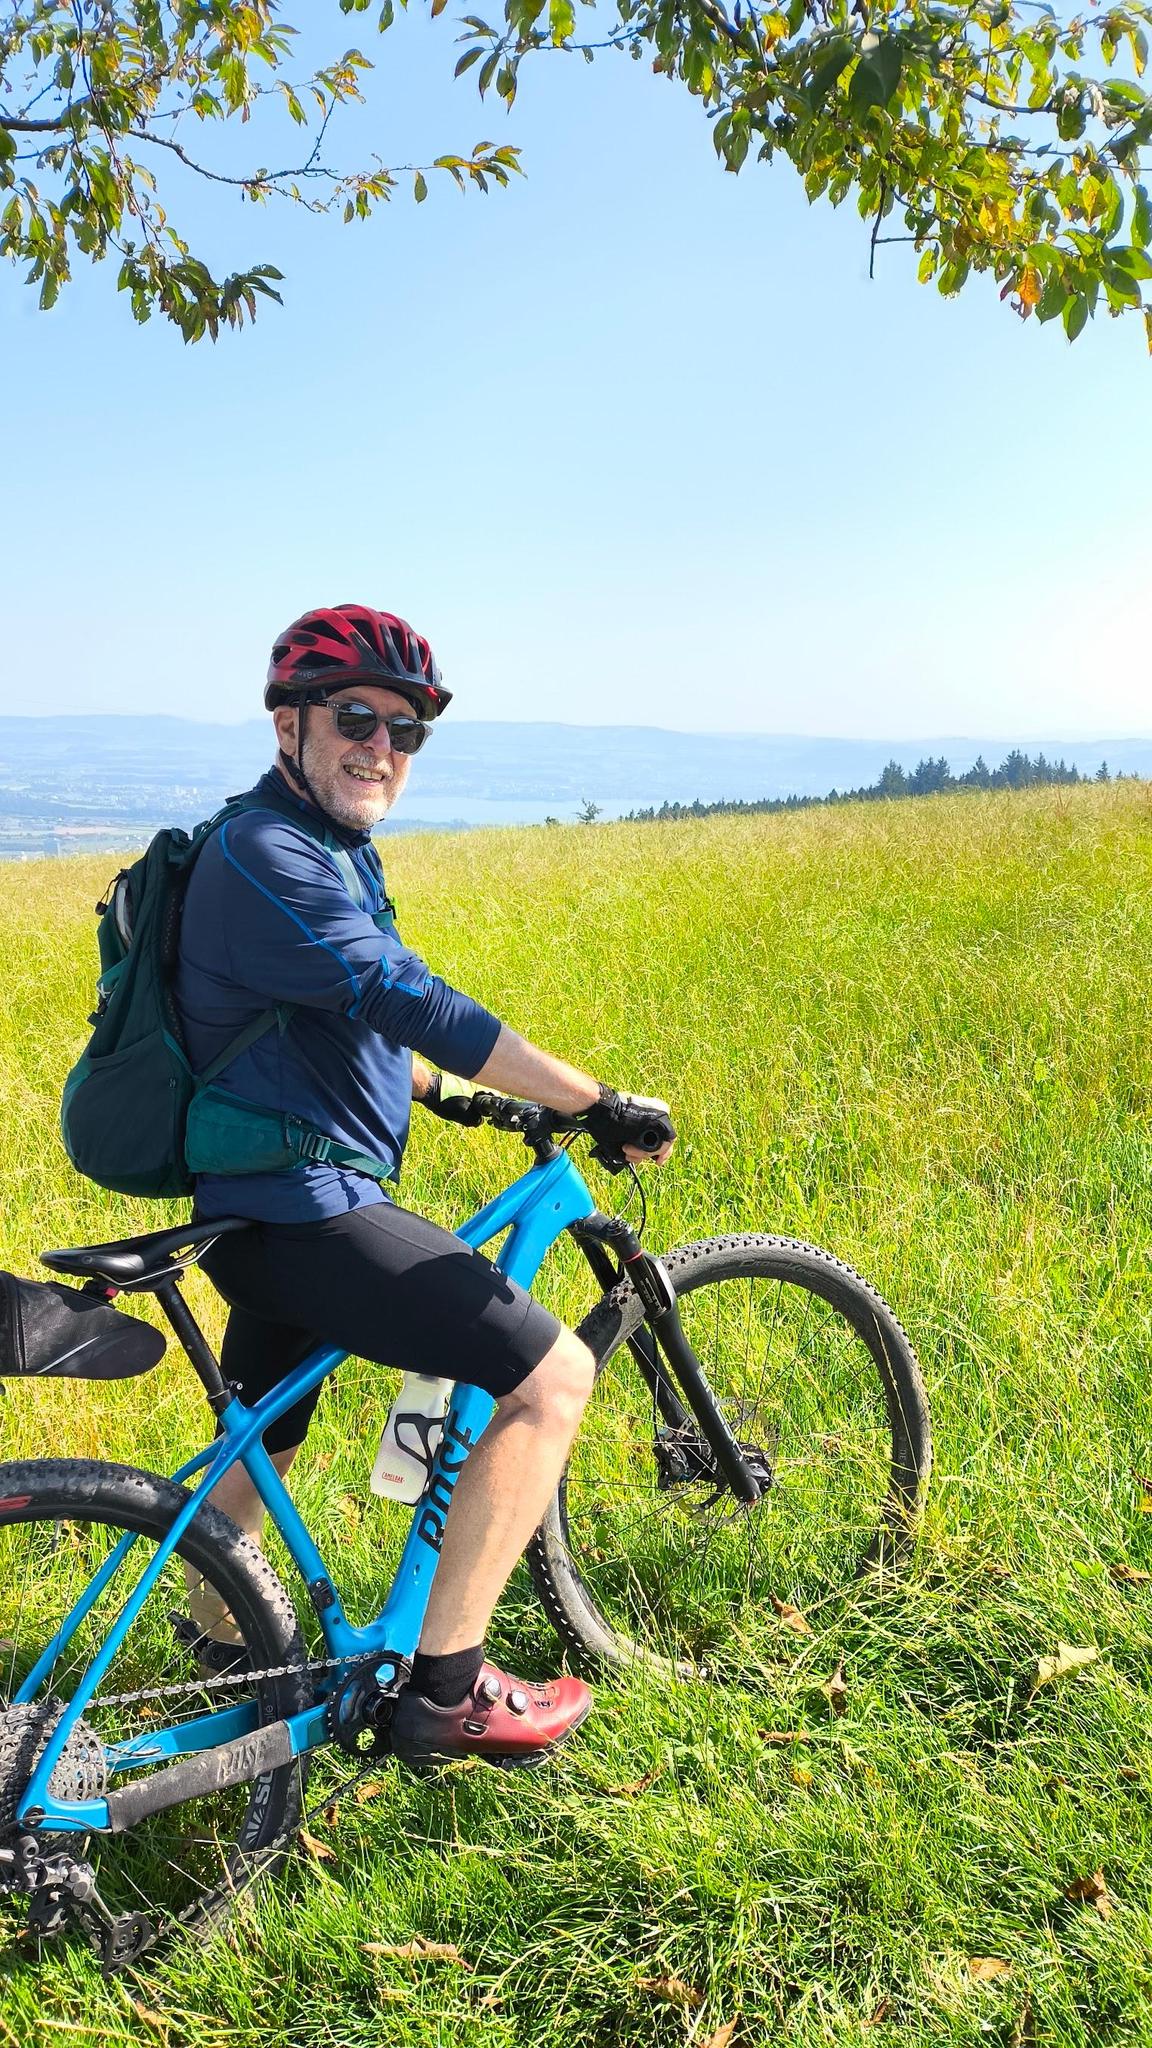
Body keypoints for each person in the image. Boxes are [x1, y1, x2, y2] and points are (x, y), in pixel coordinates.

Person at [174, 602, 675, 1766]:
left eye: (405, 730)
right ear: (290, 724)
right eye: (356, 717)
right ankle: (446, 1690)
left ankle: (227, 1652)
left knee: (266, 1431)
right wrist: (590, 1096)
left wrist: (448, 1096)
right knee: (552, 1375)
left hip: (265, 1202)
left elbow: (328, 1021)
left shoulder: (321, 846)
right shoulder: (265, 852)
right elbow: (404, 996)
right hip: (306, 1210)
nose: (381, 746)